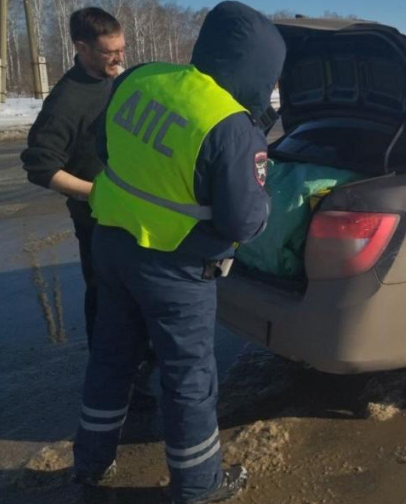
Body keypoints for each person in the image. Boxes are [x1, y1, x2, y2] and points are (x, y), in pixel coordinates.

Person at [71, 2, 284, 503]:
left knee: (111, 358)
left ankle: (91, 463)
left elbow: (106, 146)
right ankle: (199, 485)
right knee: (189, 378)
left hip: (112, 243)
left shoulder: (142, 77)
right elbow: (243, 222)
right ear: (259, 68)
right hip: (175, 266)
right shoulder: (231, 125)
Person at [21, 7, 125, 347]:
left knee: (134, 296)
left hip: (130, 214)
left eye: (122, 49)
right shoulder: (66, 101)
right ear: (81, 48)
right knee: (105, 297)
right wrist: (96, 192)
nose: (118, 59)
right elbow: (40, 166)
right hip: (96, 219)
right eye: (110, 53)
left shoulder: (117, 81)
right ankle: (108, 375)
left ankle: (137, 358)